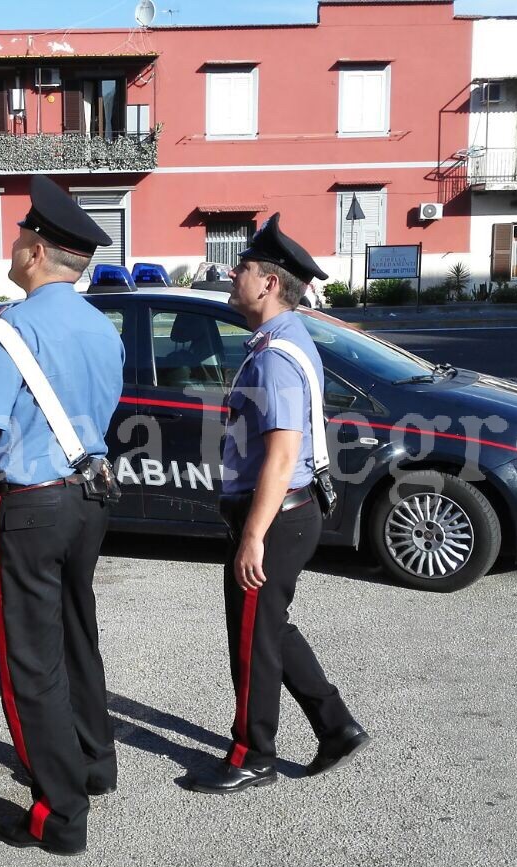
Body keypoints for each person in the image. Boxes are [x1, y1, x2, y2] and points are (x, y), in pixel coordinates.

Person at [0, 175, 124, 855]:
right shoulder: (104, 327)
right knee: (79, 637)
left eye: (19, 238)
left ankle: (60, 813)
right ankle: (96, 764)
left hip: (31, 506)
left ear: (36, 252)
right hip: (88, 497)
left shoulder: (11, 327)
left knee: (31, 664)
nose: (12, 247)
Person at [182, 213, 369, 795]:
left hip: (279, 513)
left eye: (241, 268)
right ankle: (335, 726)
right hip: (287, 511)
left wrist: (253, 534)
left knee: (251, 640)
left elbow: (283, 456)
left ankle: (254, 753)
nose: (231, 274)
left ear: (267, 283)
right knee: (268, 628)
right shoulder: (278, 341)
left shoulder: (275, 356)